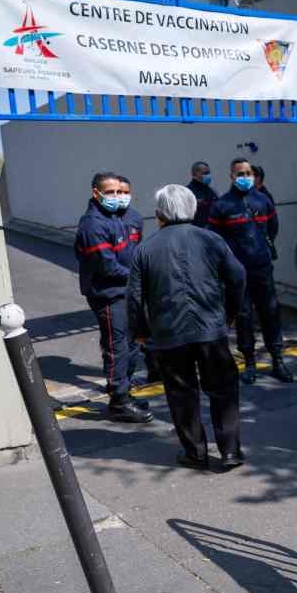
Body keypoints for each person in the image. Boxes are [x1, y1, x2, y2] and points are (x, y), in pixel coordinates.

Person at [127, 185, 247, 470]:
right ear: (193, 209)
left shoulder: (144, 249)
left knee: (182, 395)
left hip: (169, 334)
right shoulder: (211, 239)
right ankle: (230, 451)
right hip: (211, 329)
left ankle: (195, 452)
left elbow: (133, 299)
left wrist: (141, 333)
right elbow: (238, 277)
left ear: (159, 214)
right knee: (223, 389)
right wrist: (229, 313)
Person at [74, 172, 153, 423]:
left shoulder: (120, 217)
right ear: (96, 194)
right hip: (108, 294)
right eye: (110, 193)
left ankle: (124, 392)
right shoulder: (92, 225)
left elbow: (134, 252)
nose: (117, 197)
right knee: (117, 346)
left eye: (120, 192)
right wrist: (138, 276)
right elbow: (107, 267)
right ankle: (118, 401)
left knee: (130, 345)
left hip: (126, 290)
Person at [208, 158, 293, 385]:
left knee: (270, 314)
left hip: (263, 268)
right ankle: (249, 363)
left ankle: (277, 360)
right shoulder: (222, 205)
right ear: (231, 176)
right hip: (237, 273)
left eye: (248, 173)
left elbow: (273, 228)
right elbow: (214, 238)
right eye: (240, 174)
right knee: (244, 317)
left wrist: (263, 249)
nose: (245, 177)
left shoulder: (263, 200)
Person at [117, 176, 163, 384]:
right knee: (125, 334)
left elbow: (140, 248)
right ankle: (123, 380)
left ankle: (154, 369)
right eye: (118, 192)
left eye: (126, 192)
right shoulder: (107, 220)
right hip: (117, 286)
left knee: (147, 325)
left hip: (139, 280)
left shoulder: (135, 217)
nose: (122, 196)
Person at [187, 161, 219, 229]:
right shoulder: (187, 192)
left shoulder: (213, 192)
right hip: (195, 233)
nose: (208, 176)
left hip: (212, 232)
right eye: (205, 173)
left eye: (208, 173)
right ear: (194, 174)